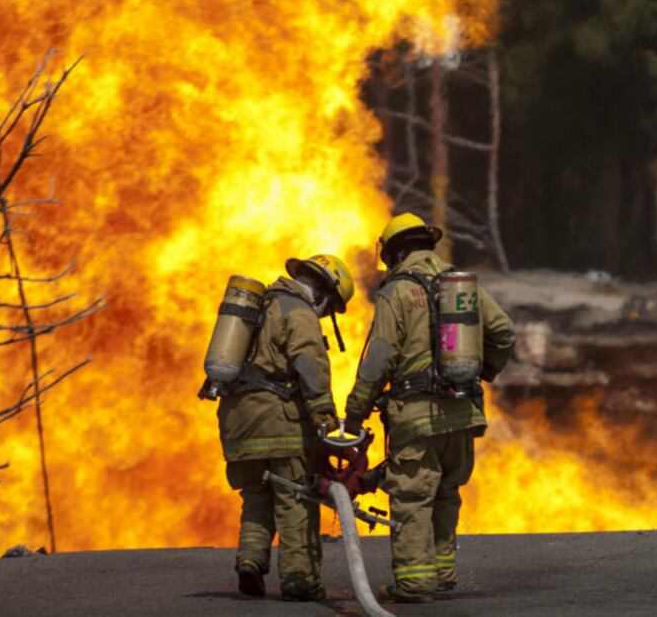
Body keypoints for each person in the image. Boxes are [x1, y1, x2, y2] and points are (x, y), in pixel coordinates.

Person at [344, 213, 515, 603]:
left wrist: (356, 412)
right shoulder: (460, 283)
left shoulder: (398, 290)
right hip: (462, 412)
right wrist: (481, 371)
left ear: (395, 250)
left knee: (411, 495)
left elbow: (380, 358)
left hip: (417, 414)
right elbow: (503, 331)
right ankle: (441, 574)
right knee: (445, 492)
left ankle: (416, 583)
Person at [217, 254, 354, 601]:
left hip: (237, 423)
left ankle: (250, 559)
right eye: (329, 307)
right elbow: (309, 366)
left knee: (257, 496)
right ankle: (300, 578)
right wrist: (324, 416)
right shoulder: (300, 312)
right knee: (296, 498)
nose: (325, 314)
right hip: (279, 423)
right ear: (323, 293)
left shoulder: (260, 308)